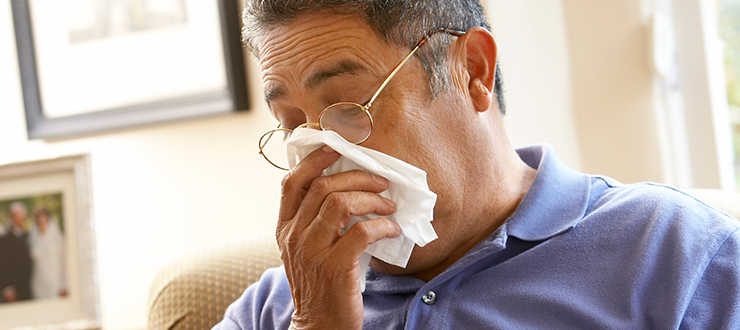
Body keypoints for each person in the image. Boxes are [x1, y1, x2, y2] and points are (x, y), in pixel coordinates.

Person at [214, 0, 740, 328]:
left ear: (472, 70)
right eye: (292, 125)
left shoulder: (677, 253)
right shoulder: (277, 306)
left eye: (349, 107)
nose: (321, 157)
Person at [29, 208, 67, 300]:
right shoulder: (32, 238)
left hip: (54, 284)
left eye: (43, 219)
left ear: (48, 220)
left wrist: (64, 285)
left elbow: (65, 261)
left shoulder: (57, 237)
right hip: (38, 284)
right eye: (38, 219)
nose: (41, 222)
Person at [0, 202, 34, 303]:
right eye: (16, 216)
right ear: (11, 217)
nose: (19, 219)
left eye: (22, 216)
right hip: (12, 291)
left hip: (28, 289)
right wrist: (6, 288)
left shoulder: (29, 236)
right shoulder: (3, 239)